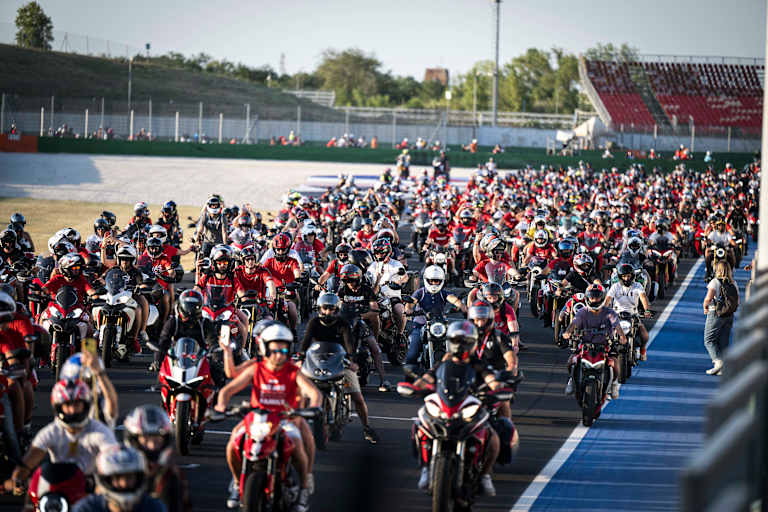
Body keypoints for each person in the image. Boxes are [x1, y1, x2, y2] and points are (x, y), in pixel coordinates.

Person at [214, 323, 321, 511]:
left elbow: (314, 393)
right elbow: (228, 389)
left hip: (285, 420)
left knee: (297, 446)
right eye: (274, 349)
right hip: (257, 419)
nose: (279, 354)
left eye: (284, 349)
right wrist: (221, 406)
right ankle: (238, 482)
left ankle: (304, 487)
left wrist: (313, 407)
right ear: (265, 347)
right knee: (232, 444)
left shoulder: (293, 370)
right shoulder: (256, 367)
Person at [410, 321, 501, 496]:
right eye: (456, 340)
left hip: (468, 406)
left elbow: (490, 378)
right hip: (446, 405)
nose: (460, 345)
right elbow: (429, 377)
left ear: (472, 342)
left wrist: (497, 387)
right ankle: (426, 468)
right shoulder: (444, 361)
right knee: (419, 426)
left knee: (492, 437)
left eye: (464, 341)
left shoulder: (477, 362)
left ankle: (484, 475)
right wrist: (415, 387)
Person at [6, 379, 117, 494]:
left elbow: (113, 460)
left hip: (91, 490)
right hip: (58, 489)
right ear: (59, 406)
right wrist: (17, 479)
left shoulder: (100, 431)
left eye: (77, 404)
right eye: (68, 405)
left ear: (86, 405)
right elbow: (28, 462)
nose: (73, 410)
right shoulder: (51, 432)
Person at [299, 292, 379, 444]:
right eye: (325, 308)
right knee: (301, 393)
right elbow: (306, 341)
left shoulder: (342, 324)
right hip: (317, 361)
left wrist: (352, 360)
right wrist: (300, 356)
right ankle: (297, 424)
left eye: (331, 309)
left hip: (340, 361)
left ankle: (367, 427)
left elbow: (349, 343)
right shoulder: (314, 322)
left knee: (357, 396)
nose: (328, 312)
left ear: (337, 309)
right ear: (319, 308)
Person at [562, 284, 628, 399]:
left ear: (602, 297)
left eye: (597, 296)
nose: (594, 299)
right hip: (585, 344)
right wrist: (568, 332)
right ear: (587, 297)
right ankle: (572, 380)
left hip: (606, 345)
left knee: (614, 363)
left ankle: (613, 384)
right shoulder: (583, 311)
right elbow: (574, 323)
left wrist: (622, 337)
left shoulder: (609, 312)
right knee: (571, 361)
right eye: (592, 296)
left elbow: (617, 326)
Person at [123, 405, 189, 512]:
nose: (152, 446)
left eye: (157, 439)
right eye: (146, 439)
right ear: (133, 439)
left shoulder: (170, 476)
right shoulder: (118, 472)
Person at [336, 263, 390, 391]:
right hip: (345, 323)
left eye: (352, 280)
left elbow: (374, 309)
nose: (349, 283)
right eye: (346, 281)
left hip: (361, 322)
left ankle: (383, 380)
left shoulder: (366, 290)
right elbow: (337, 305)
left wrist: (361, 315)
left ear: (358, 279)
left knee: (375, 349)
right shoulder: (343, 290)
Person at [404, 265, 467, 366]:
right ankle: (410, 378)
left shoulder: (443, 293)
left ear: (441, 281)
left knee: (456, 347)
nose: (434, 283)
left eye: (436, 281)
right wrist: (408, 309)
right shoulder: (420, 292)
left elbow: (453, 299)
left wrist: (462, 307)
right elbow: (410, 303)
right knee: (412, 355)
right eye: (431, 281)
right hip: (420, 326)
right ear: (426, 280)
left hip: (440, 324)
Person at [72, 444, 166, 512]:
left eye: (129, 477)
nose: (124, 483)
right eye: (117, 478)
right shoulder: (87, 509)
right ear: (105, 480)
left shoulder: (154, 507)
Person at [0, 291, 35, 438]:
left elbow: (14, 357)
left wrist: (19, 367)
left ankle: (21, 430)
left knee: (21, 386)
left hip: (8, 373)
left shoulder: (9, 335)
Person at [604, 263, 653, 361]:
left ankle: (643, 350)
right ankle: (605, 351)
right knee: (605, 332)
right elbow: (608, 299)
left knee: (644, 334)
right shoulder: (615, 286)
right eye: (624, 276)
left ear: (632, 276)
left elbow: (643, 298)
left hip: (633, 315)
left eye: (628, 276)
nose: (626, 278)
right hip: (616, 314)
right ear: (620, 277)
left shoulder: (637, 286)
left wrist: (647, 310)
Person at [702, 261, 738, 375]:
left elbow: (708, 298)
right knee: (724, 341)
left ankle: (717, 362)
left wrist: (705, 306)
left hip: (715, 313)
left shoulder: (715, 282)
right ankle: (723, 368)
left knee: (709, 339)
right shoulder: (733, 283)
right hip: (729, 315)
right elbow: (738, 301)